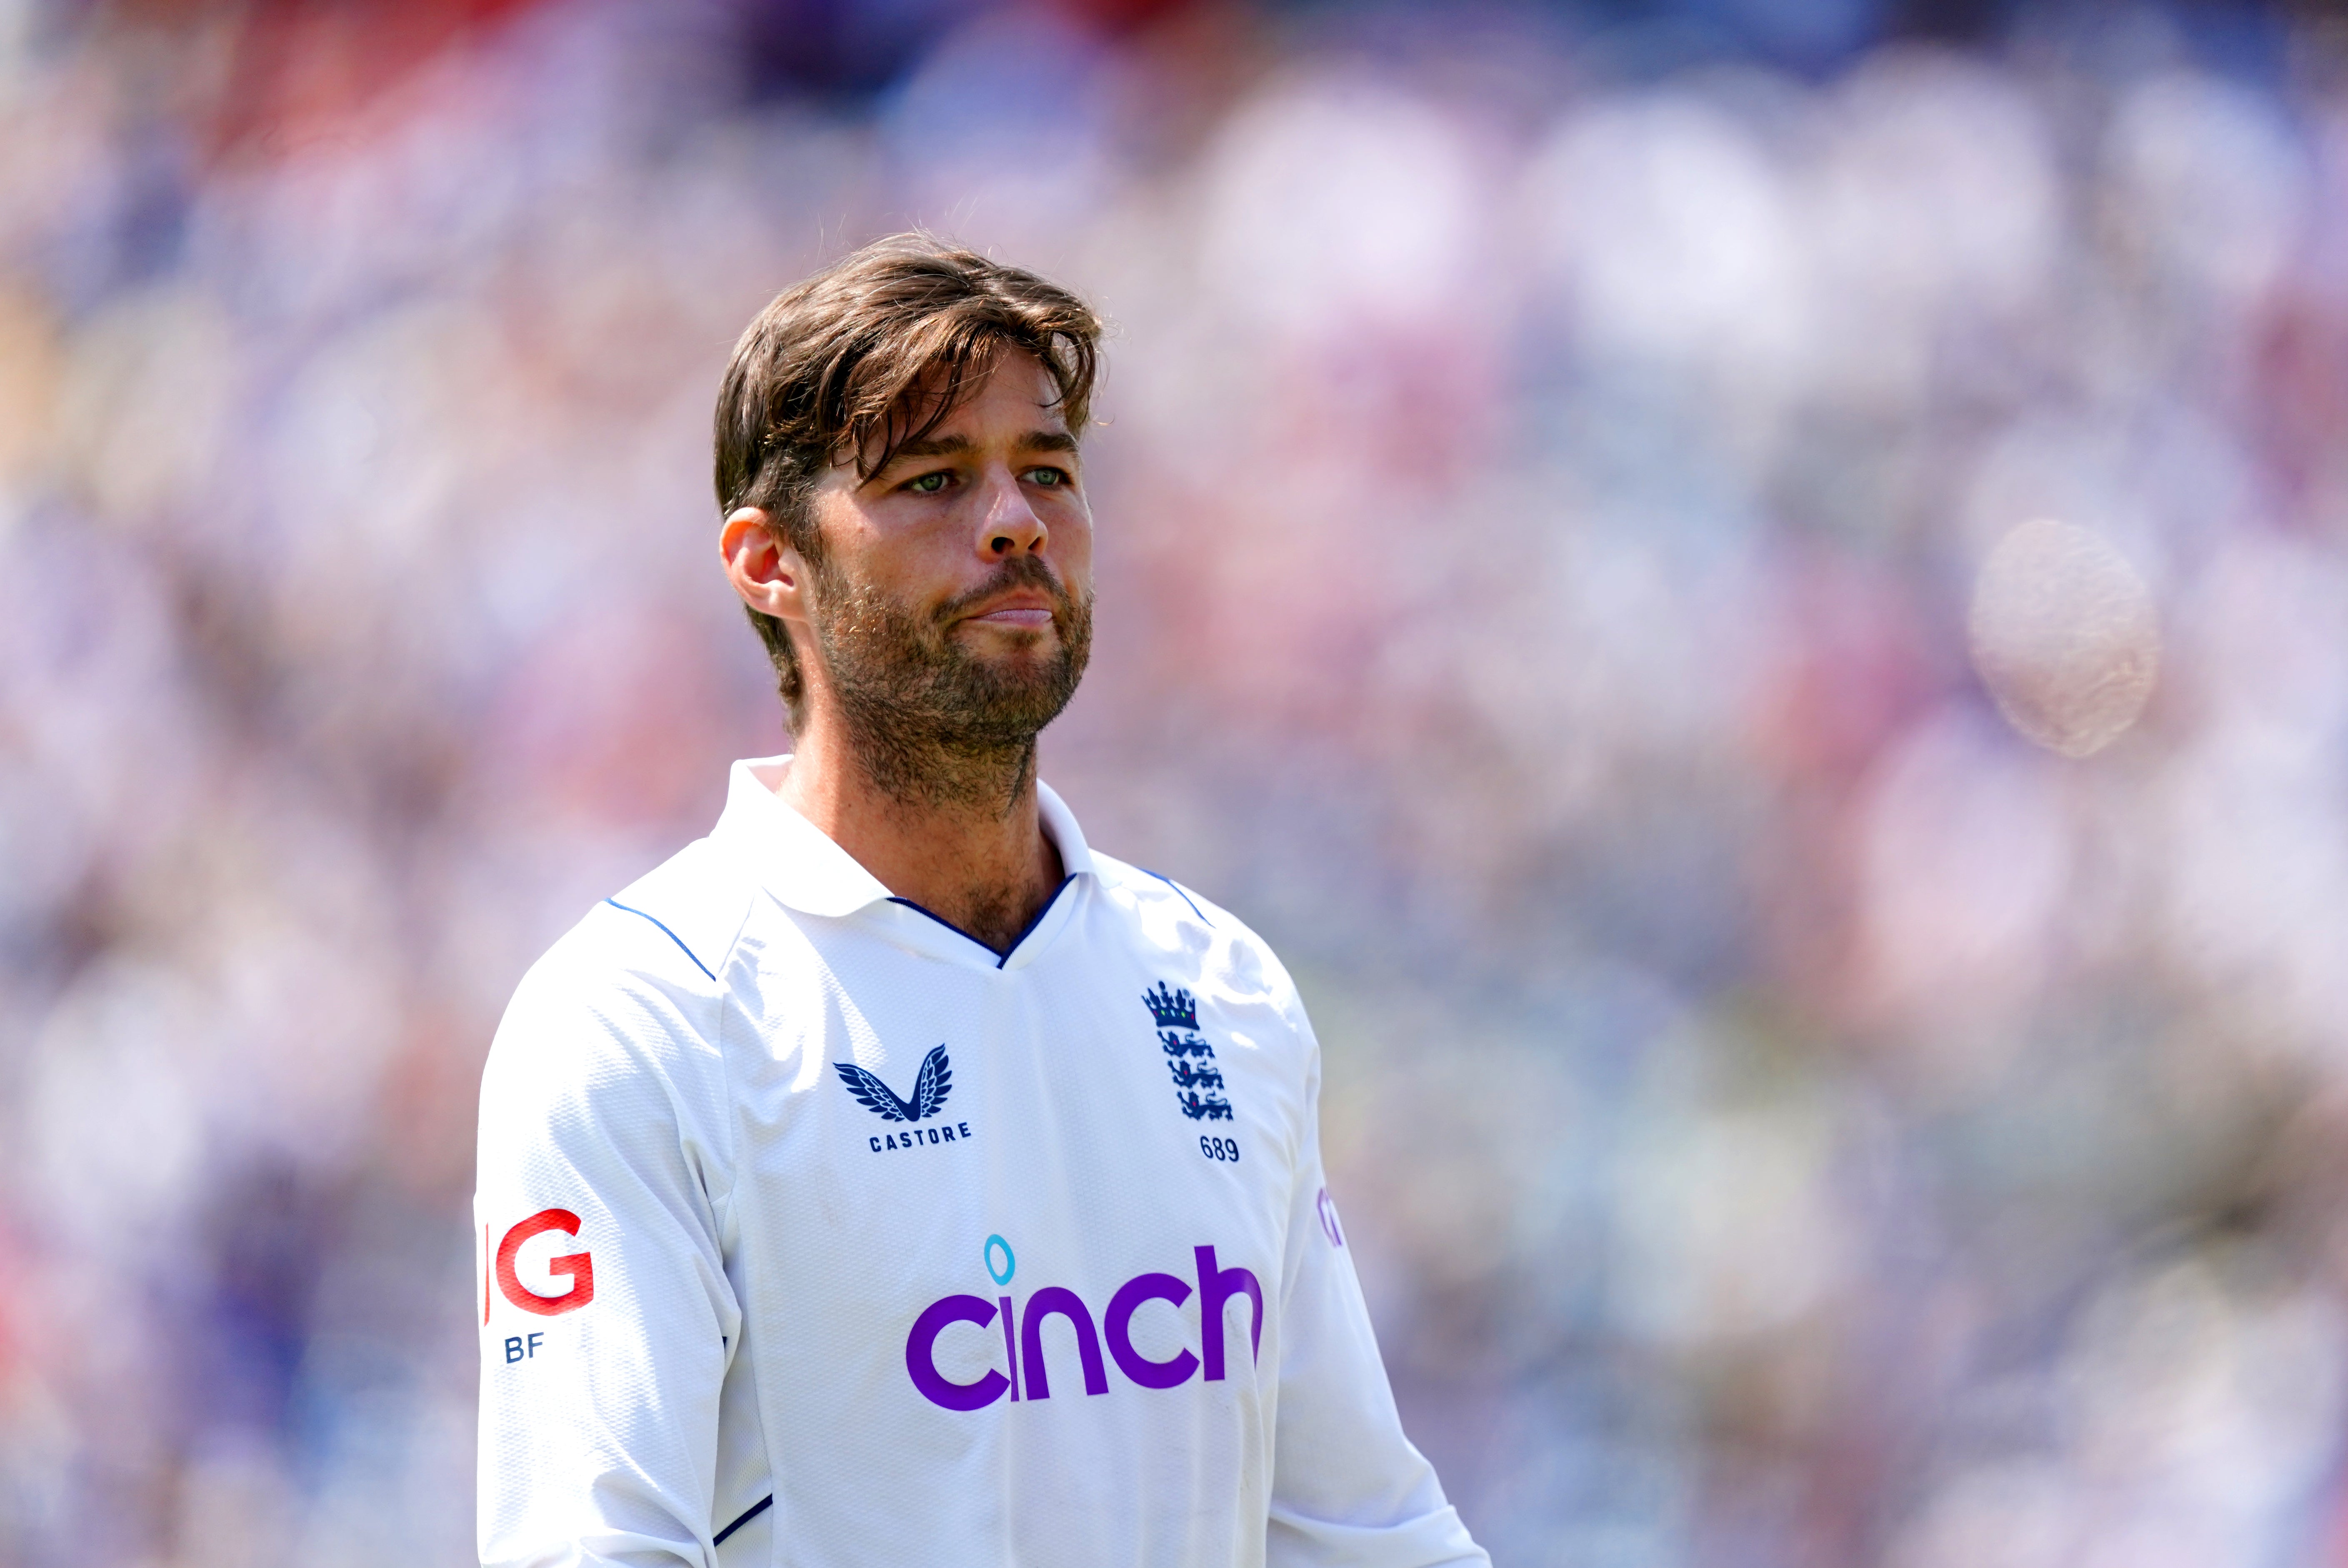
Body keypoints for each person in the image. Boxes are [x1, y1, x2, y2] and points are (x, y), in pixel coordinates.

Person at [474, 234, 1488, 1568]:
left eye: (1048, 472)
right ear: (767, 564)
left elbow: (1362, 1530)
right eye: (933, 478)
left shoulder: (1216, 985)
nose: (1014, 520)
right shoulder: (639, 1021)